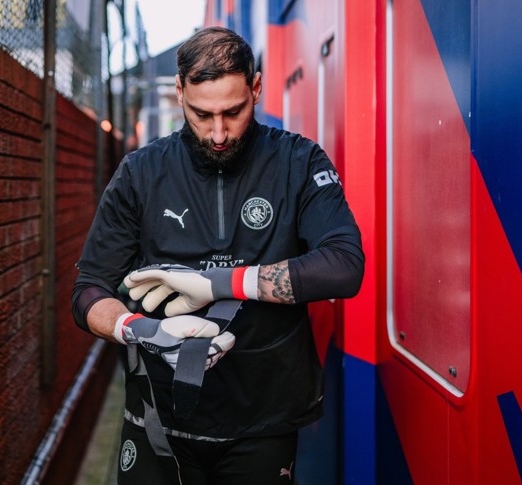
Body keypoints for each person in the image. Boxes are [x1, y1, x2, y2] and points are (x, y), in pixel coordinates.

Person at [71, 27, 364, 484]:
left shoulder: (299, 162)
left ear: (257, 87)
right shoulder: (140, 173)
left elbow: (344, 267)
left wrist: (219, 284)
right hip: (158, 415)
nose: (219, 132)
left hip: (262, 421)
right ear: (179, 93)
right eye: (201, 114)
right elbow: (88, 291)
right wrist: (142, 330)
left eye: (234, 111)